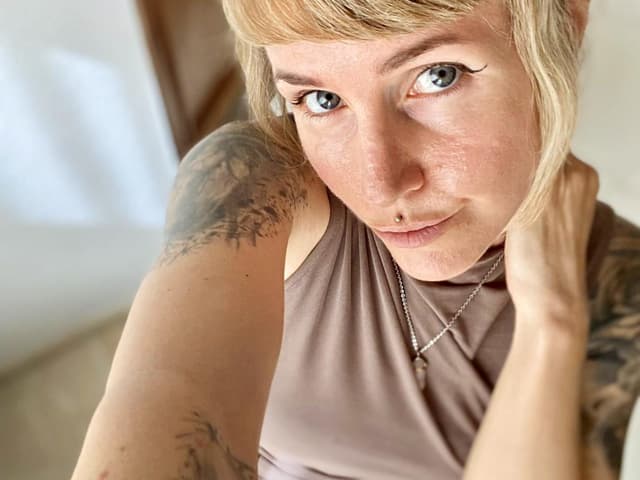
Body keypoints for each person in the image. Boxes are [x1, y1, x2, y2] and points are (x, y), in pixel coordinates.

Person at [72, 0, 639, 479]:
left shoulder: (621, 278)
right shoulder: (256, 183)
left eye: (438, 75)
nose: (378, 184)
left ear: (565, 20)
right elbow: (166, 394)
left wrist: (552, 320)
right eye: (321, 100)